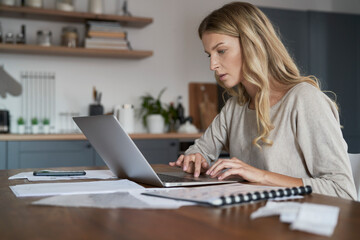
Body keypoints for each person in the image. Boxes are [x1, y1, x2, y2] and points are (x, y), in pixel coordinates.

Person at [169, 2, 357, 200]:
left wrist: (261, 176)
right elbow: (201, 150)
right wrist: (195, 157)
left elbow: (342, 190)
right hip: (252, 221)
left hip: (296, 225)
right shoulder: (235, 107)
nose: (212, 65)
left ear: (253, 43)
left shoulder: (304, 100)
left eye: (221, 51)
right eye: (209, 54)